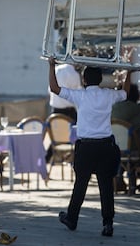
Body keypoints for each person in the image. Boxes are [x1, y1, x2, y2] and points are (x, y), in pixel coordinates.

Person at [48, 56, 130, 237]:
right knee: (106, 186)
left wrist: (52, 65)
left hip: (86, 146)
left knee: (81, 184)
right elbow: (125, 92)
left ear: (84, 80)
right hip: (105, 146)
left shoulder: (80, 95)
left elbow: (54, 88)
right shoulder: (108, 94)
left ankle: (72, 218)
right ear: (100, 80)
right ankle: (108, 223)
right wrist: (129, 73)